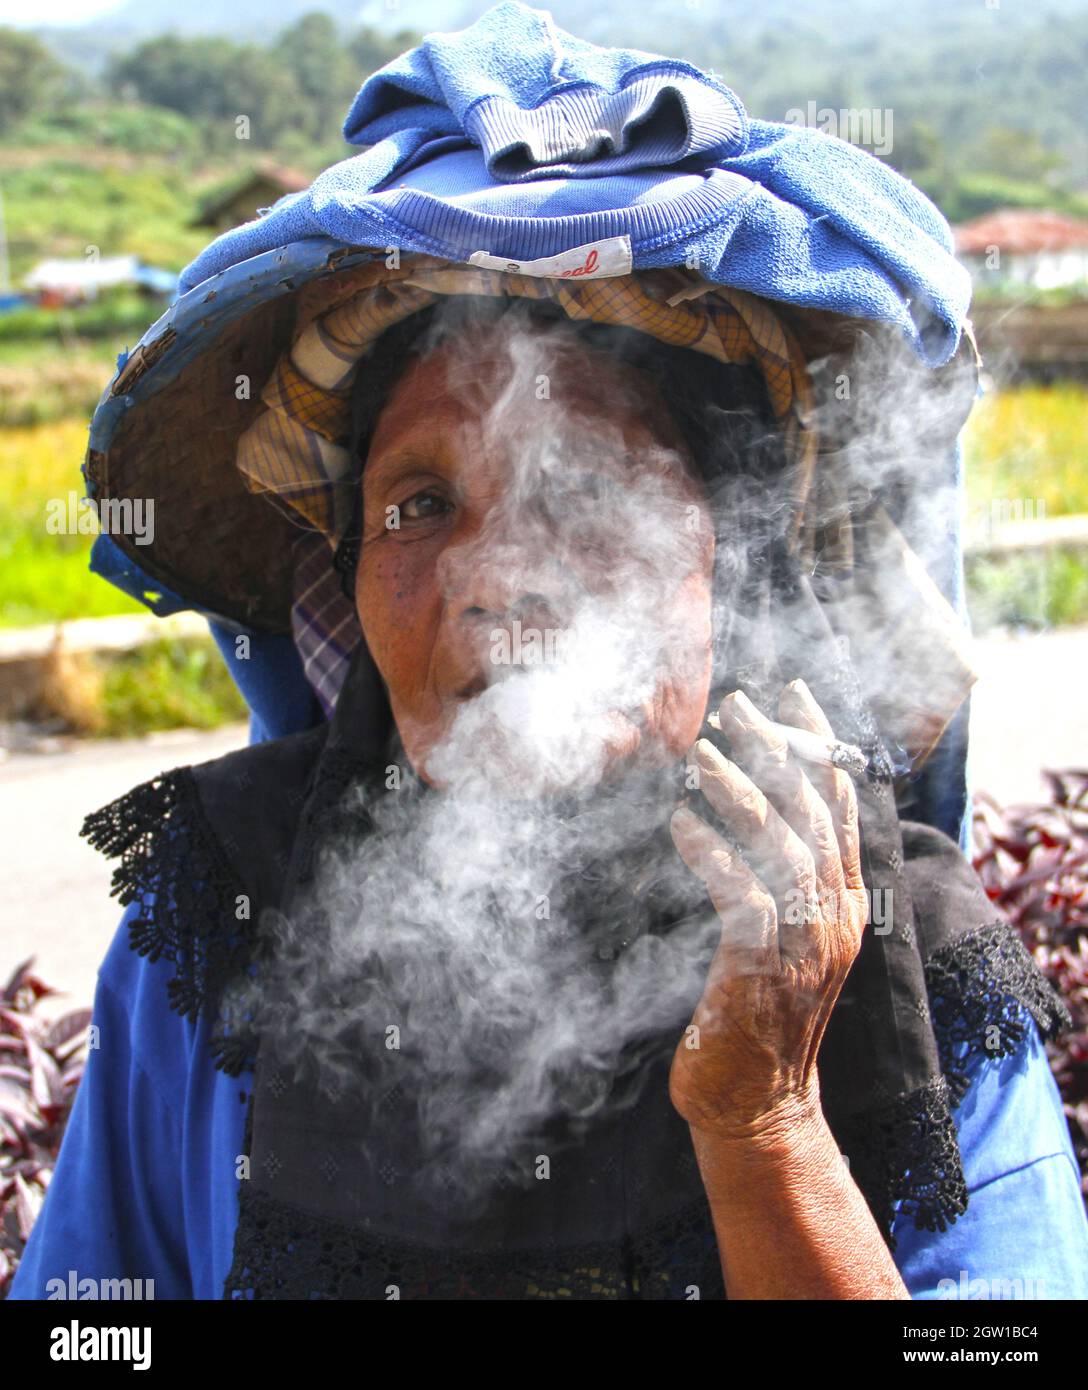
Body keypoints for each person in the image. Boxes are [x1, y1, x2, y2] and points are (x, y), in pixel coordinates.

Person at [10, 6, 1088, 1300]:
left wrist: (769, 1122)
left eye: (584, 490)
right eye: (417, 506)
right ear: (346, 582)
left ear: (729, 567)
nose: (497, 576)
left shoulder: (904, 961)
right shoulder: (214, 926)